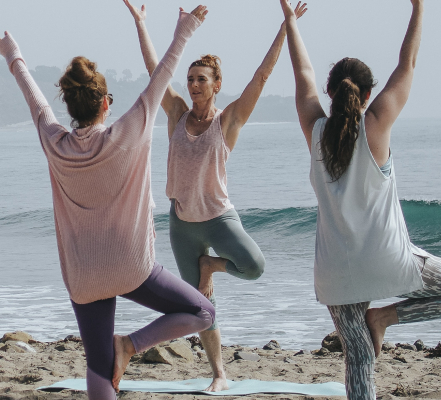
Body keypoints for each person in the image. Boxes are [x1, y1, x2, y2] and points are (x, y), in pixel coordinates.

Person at [0, 6, 214, 400]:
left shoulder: (55, 143)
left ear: (71, 108)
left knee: (97, 367)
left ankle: (115, 355)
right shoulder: (128, 132)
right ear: (106, 104)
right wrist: (185, 29)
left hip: (84, 276)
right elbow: (162, 75)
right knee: (203, 313)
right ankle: (129, 345)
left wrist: (14, 56)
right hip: (132, 266)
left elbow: (36, 101)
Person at [280, 1, 441, 398]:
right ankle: (385, 317)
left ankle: (376, 324)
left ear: (329, 92)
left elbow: (301, 73)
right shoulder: (377, 124)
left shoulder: (315, 131)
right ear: (369, 94)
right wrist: (418, 9)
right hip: (388, 261)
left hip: (335, 273)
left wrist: (290, 21)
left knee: (358, 361)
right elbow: (407, 64)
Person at [124, 1, 306, 391]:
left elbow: (262, 75)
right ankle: (219, 374)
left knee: (254, 266)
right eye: (190, 78)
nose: (193, 85)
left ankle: (212, 265)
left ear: (217, 84)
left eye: (201, 79)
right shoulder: (174, 113)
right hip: (182, 223)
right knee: (201, 310)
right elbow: (157, 70)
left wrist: (285, 26)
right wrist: (141, 23)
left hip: (219, 218)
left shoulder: (229, 121)